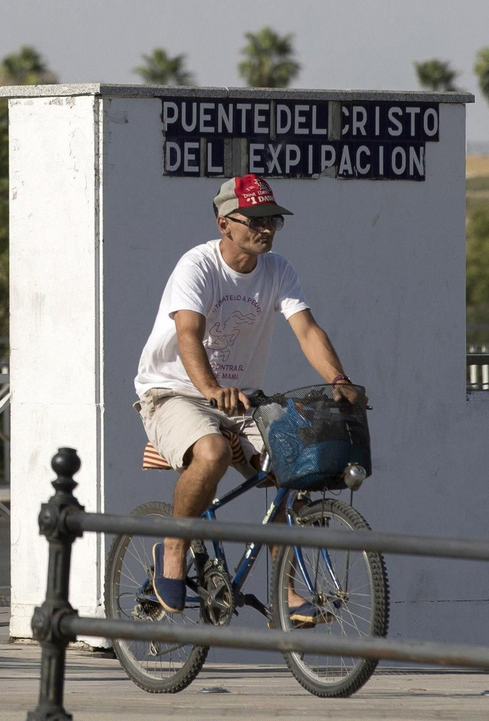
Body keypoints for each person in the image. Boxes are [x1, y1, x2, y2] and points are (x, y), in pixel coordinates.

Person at [134, 174, 356, 625]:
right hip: (172, 391)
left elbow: (307, 330)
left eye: (272, 219)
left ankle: (285, 592)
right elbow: (188, 333)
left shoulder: (279, 270)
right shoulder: (197, 266)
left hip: (241, 401)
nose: (266, 228)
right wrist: (211, 389)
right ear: (224, 223)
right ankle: (173, 547)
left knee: (293, 466)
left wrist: (338, 376)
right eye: (254, 219)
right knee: (212, 451)